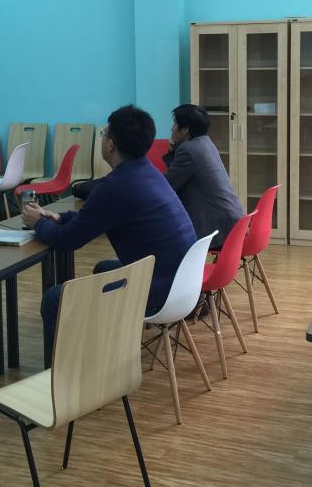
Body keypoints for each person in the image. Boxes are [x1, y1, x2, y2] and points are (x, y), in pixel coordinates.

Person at [21, 105, 196, 368]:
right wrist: (57, 218)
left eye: (104, 134)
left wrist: (38, 224)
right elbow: (93, 218)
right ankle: (104, 347)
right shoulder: (148, 172)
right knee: (104, 268)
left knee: (55, 299)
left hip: (157, 290)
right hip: (182, 284)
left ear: (110, 144)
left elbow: (68, 241)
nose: (103, 139)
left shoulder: (116, 186)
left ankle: (65, 375)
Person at [162, 104, 244, 248]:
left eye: (174, 123)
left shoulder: (187, 150)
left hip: (217, 230)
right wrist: (173, 150)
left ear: (185, 130)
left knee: (164, 238)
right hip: (232, 225)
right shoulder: (206, 143)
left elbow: (167, 187)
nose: (171, 128)